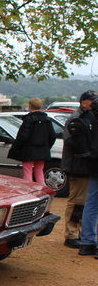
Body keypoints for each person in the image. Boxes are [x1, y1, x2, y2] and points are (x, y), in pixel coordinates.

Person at [61, 90, 96, 248]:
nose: (94, 103)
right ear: (84, 102)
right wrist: (85, 153)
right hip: (77, 165)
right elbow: (70, 141)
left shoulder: (90, 117)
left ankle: (80, 232)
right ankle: (71, 233)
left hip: (86, 165)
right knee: (77, 201)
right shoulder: (76, 118)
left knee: (84, 201)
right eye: (92, 100)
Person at [7, 98, 56, 183]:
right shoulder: (47, 120)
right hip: (43, 150)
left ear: (30, 106)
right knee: (39, 171)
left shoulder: (28, 119)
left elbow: (23, 136)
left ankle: (28, 190)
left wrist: (16, 147)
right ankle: (42, 191)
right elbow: (52, 136)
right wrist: (47, 146)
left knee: (28, 171)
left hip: (28, 150)